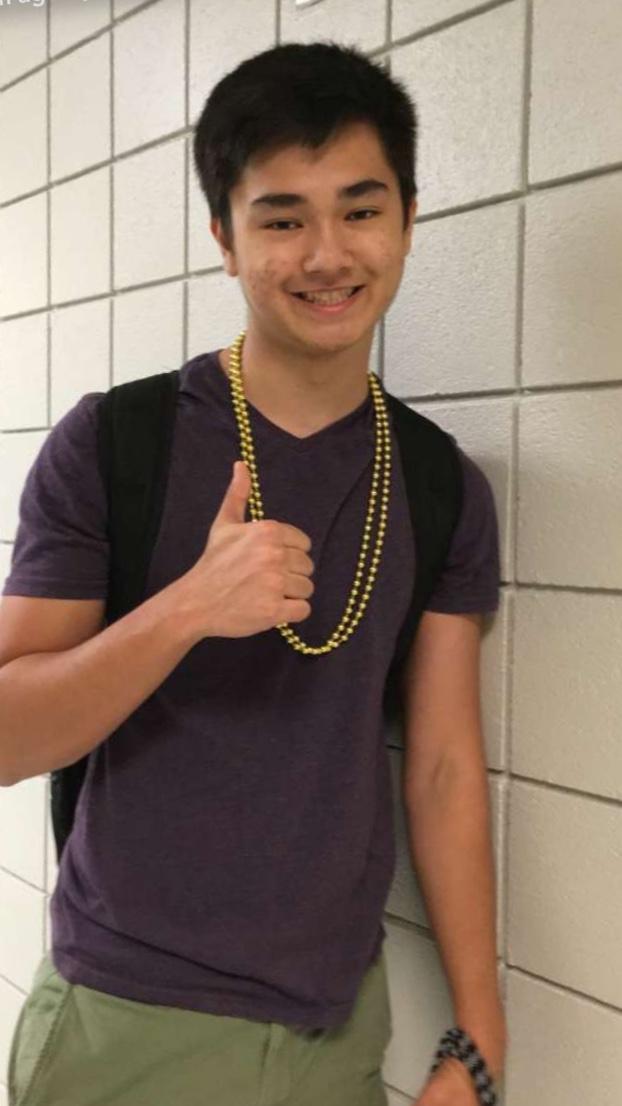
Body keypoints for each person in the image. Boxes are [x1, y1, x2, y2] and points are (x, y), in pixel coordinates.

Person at [2, 41, 505, 1106]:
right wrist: (185, 609)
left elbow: (444, 768)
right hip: (127, 1023)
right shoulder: (116, 443)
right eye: (281, 219)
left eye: (360, 209)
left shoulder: (439, 483)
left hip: (339, 1028)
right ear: (225, 240)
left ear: (408, 220)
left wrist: (481, 1029)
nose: (326, 254)